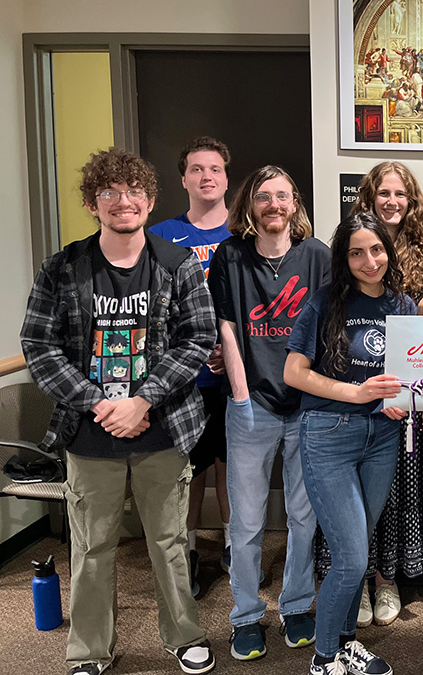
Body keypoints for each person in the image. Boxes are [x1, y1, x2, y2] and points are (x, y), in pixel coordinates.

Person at [21, 147, 217, 675]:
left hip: (161, 429)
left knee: (170, 543)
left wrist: (143, 399)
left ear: (150, 201)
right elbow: (39, 345)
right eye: (109, 193)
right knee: (91, 548)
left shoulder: (178, 266)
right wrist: (98, 403)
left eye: (133, 192)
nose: (122, 202)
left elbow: (196, 338)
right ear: (93, 202)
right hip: (89, 433)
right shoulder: (62, 269)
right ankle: (88, 651)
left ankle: (185, 637)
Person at [285, 213, 417, 675]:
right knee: (352, 555)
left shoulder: (403, 306)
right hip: (329, 434)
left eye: (376, 250)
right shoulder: (324, 303)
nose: (369, 260)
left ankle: (345, 643)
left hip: (382, 438)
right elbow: (294, 373)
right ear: (343, 258)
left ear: (389, 251)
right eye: (356, 252)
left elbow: (410, 379)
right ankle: (323, 658)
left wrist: (402, 402)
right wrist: (357, 394)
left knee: (356, 547)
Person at [208, 165, 331, 660]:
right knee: (246, 521)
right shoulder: (231, 256)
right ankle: (245, 615)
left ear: (295, 204)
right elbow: (228, 329)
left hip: (309, 407)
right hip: (251, 403)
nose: (274, 205)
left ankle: (297, 605)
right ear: (250, 206)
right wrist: (240, 395)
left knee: (305, 516)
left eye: (283, 196)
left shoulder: (318, 256)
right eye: (264, 197)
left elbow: (330, 327)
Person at [320, 162, 423, 629]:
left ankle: (387, 579)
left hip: (401, 395)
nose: (392, 201)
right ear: (367, 198)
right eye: (382, 193)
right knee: (353, 500)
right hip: (351, 396)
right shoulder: (349, 250)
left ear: (411, 201)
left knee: (392, 494)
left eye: (400, 193)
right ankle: (358, 580)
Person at [149, 136, 233, 596]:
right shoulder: (161, 236)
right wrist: (193, 352)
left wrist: (229, 352)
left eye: (215, 168)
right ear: (184, 178)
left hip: (235, 373)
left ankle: (234, 547)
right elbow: (155, 310)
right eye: (197, 169)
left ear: (226, 177)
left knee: (233, 465)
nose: (207, 176)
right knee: (191, 467)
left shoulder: (242, 235)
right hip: (184, 379)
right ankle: (188, 551)